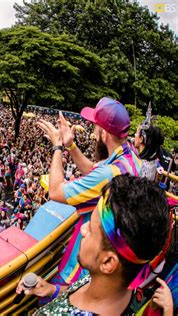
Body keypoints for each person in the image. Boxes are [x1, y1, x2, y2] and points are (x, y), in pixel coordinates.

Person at [16, 175, 172, 315]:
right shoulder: (114, 286)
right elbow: (81, 291)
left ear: (108, 262)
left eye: (90, 229)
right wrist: (51, 290)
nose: (83, 229)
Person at [37, 97, 142, 287]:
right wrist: (71, 145)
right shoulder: (131, 159)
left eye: (95, 125)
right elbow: (94, 170)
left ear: (104, 134)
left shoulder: (109, 173)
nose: (92, 128)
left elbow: (55, 192)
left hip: (86, 265)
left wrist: (58, 146)